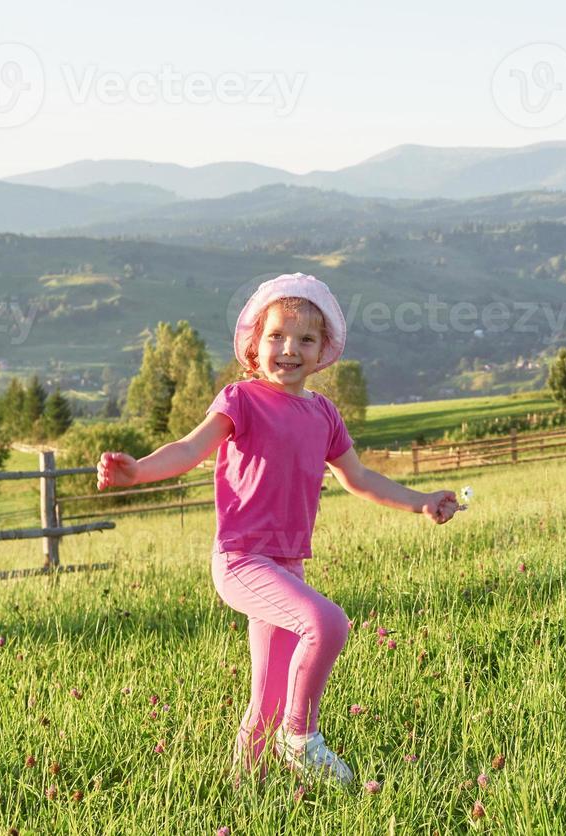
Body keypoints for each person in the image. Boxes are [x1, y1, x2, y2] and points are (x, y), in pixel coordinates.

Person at [96, 273, 461, 786]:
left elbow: (359, 478)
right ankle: (302, 737)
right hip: (242, 559)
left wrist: (421, 502)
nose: (289, 349)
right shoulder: (240, 400)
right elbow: (187, 449)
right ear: (253, 346)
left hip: (286, 564)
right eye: (276, 337)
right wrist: (137, 471)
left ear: (322, 352)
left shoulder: (324, 414)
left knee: (265, 698)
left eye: (305, 339)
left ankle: (245, 795)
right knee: (328, 623)